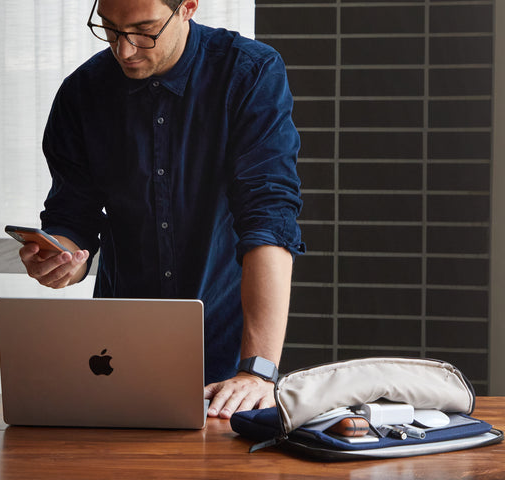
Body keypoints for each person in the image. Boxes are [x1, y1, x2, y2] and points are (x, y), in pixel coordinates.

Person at [17, 0, 304, 420]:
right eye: (110, 29)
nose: (125, 49)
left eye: (144, 30)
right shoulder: (82, 92)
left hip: (230, 356)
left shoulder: (249, 73)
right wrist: (61, 260)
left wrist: (258, 370)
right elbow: (72, 216)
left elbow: (269, 217)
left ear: (187, 7)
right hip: (114, 353)